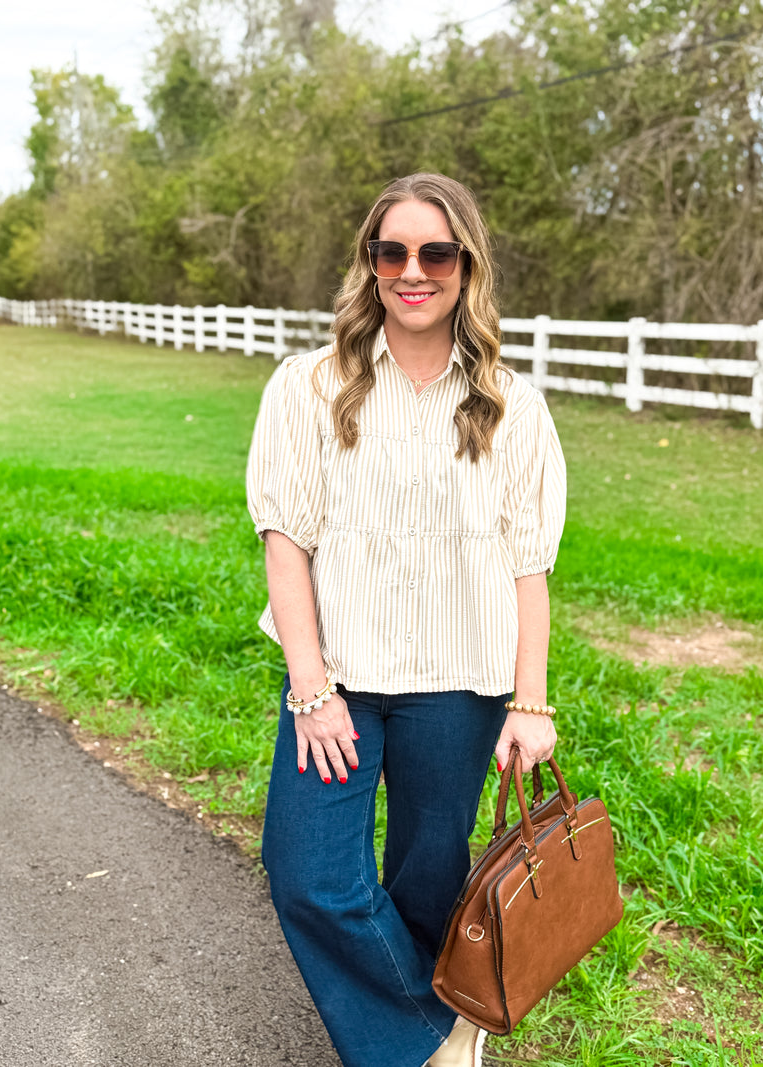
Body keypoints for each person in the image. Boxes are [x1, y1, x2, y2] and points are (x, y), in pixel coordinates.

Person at [246, 172, 567, 1067]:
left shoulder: (511, 404)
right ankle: (428, 1034)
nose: (412, 271)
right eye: (393, 251)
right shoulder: (307, 387)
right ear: (370, 263)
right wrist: (312, 690)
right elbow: (286, 543)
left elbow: (527, 566)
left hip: (460, 685)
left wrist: (530, 703)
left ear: (466, 265)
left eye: (435, 252)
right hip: (337, 680)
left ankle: (425, 1033)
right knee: (310, 871)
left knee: (429, 877)